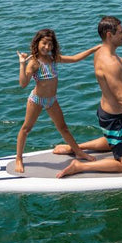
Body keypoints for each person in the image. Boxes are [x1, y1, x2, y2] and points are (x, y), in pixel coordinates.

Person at [57, 16, 122, 177]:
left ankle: (75, 148)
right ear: (109, 34)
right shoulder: (110, 63)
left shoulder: (104, 52)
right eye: (120, 32)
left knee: (110, 140)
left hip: (110, 114)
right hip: (114, 119)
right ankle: (79, 166)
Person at [15, 28, 100, 173]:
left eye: (50, 44)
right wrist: (22, 64)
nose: (47, 47)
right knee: (26, 129)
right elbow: (23, 84)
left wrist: (94, 49)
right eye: (44, 43)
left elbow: (74, 58)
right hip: (36, 100)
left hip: (52, 101)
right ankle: (18, 158)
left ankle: (78, 152)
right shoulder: (34, 63)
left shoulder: (53, 59)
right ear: (37, 43)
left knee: (63, 128)